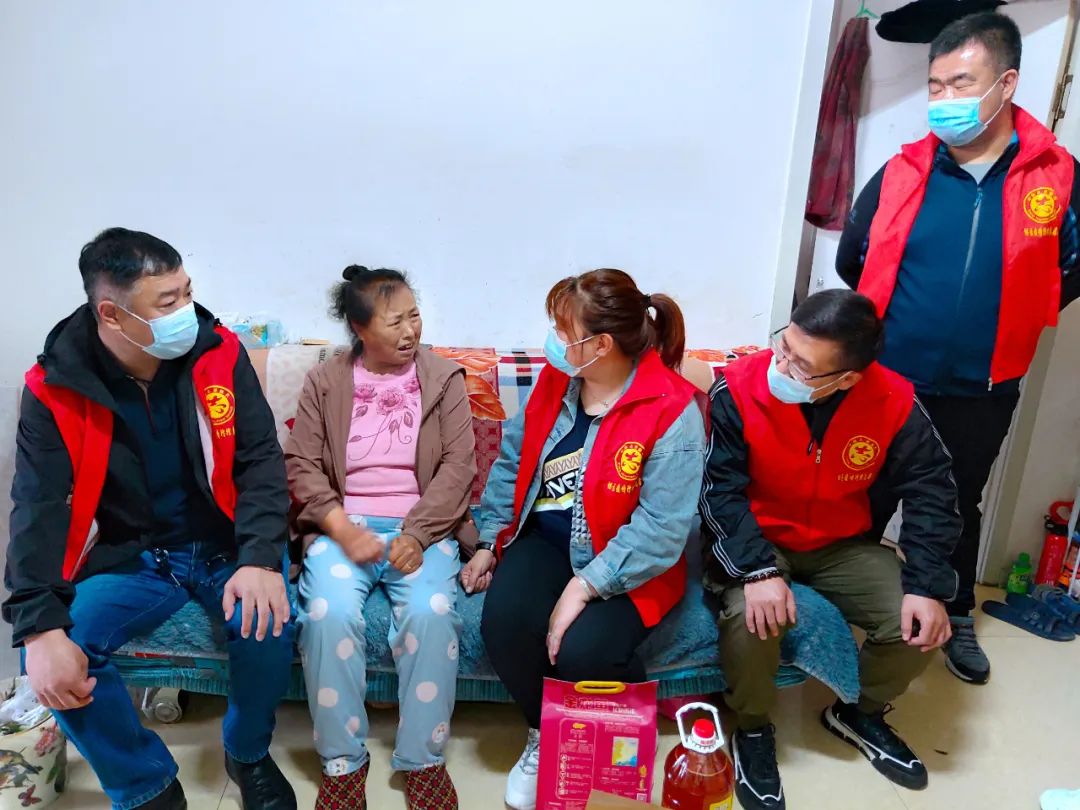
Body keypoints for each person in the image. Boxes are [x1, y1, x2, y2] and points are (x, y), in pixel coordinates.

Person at [4, 228, 295, 810]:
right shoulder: (56, 388)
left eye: (187, 292)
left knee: (267, 619)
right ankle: (146, 786)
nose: (187, 310)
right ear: (112, 314)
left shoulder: (218, 352)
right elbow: (37, 507)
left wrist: (262, 557)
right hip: (136, 555)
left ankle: (247, 752)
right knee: (61, 650)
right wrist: (37, 628)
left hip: (228, 542)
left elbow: (261, 459)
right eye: (168, 302)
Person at [837, 11, 1080, 685]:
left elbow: (1071, 269)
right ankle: (842, 612)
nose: (944, 99)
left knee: (954, 501)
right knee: (866, 493)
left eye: (961, 83)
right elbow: (855, 261)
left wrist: (1009, 318)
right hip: (889, 381)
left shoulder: (1057, 176)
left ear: (1006, 83)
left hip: (984, 384)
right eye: (935, 85)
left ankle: (954, 611)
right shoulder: (903, 171)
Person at [699, 290, 961, 809]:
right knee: (755, 619)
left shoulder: (894, 402)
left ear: (847, 379)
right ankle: (751, 727)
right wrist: (756, 571)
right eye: (784, 346)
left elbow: (933, 490)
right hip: (758, 538)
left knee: (918, 626)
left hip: (841, 543)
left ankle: (859, 712)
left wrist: (926, 585)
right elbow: (719, 490)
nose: (781, 366)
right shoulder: (739, 387)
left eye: (801, 365)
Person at [470, 268, 706, 810]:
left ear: (600, 345)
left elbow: (662, 529)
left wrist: (583, 587)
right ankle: (544, 732)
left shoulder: (672, 410)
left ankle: (613, 746)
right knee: (504, 622)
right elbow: (513, 463)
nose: (553, 340)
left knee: (584, 651)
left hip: (628, 558)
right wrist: (488, 541)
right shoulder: (557, 382)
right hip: (547, 540)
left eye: (563, 331)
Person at [286, 265, 477, 810]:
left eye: (415, 316)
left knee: (432, 611)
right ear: (359, 327)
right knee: (326, 614)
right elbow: (301, 464)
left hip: (424, 527)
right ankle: (343, 763)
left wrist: (417, 533)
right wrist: (340, 528)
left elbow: (458, 469)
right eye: (395, 322)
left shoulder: (444, 379)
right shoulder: (326, 381)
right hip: (343, 526)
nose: (410, 330)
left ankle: (423, 760)